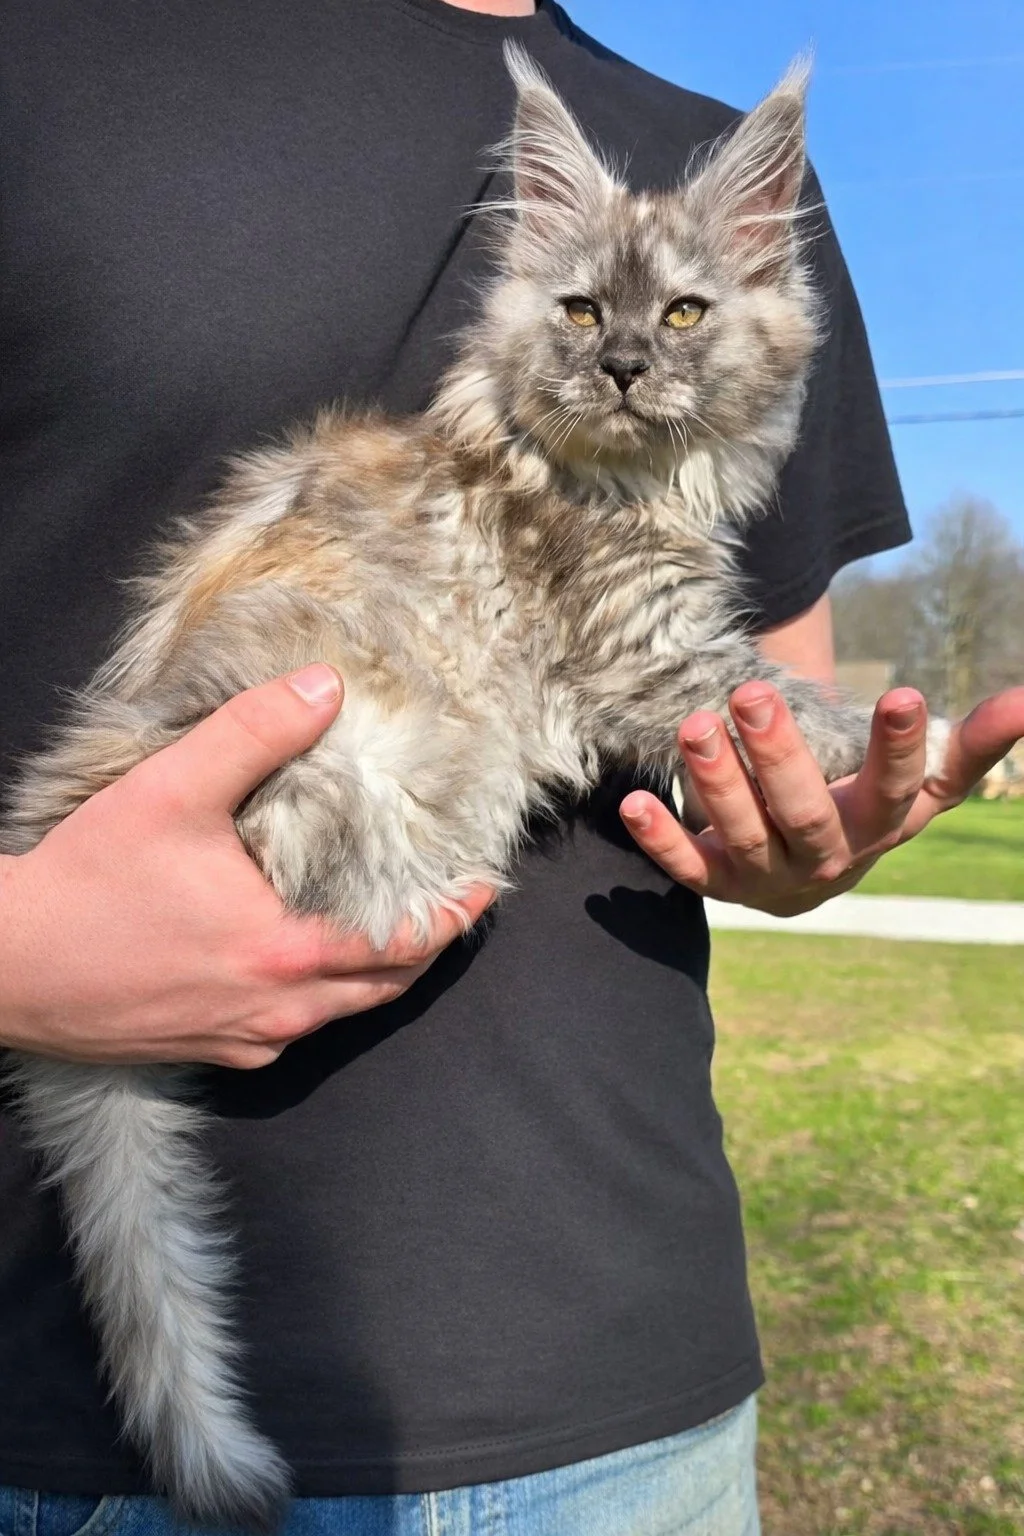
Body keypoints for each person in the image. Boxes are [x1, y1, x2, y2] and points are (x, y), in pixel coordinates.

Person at [1, 1, 1021, 1533]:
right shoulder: (45, 48)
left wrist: (818, 827)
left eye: (677, 318)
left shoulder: (713, 143)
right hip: (55, 1441)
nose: (623, 355)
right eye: (582, 320)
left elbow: (745, 703)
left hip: (630, 1362)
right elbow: (665, 673)